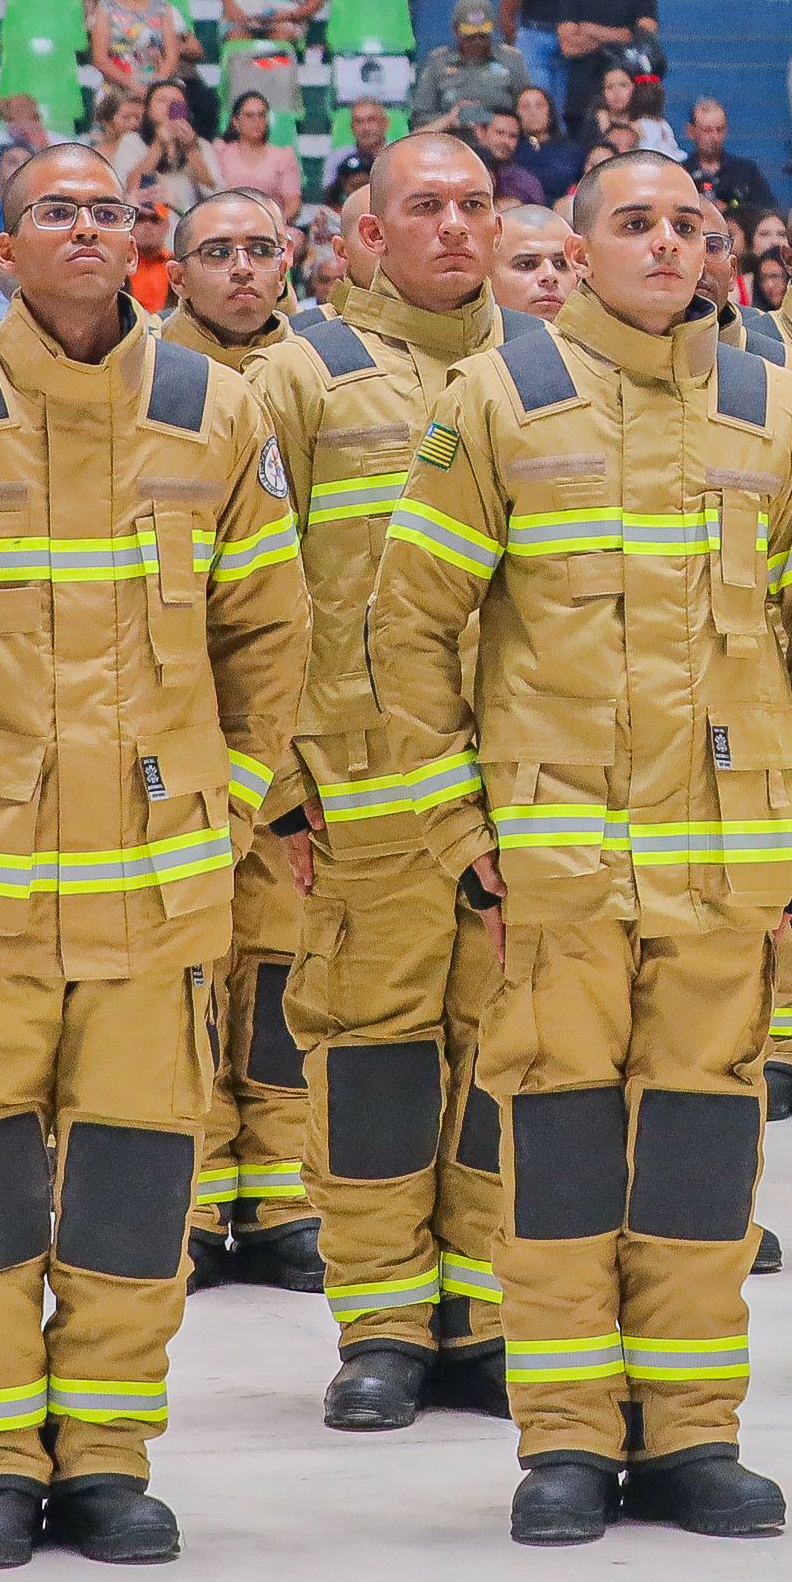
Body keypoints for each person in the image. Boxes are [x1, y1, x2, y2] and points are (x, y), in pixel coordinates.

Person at [0, 143, 306, 1567]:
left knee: (139, 1185)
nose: (84, 229)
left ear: (139, 241)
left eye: (107, 210)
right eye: (50, 214)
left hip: (155, 888)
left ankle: (106, 1456)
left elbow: (273, 634)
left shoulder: (214, 408)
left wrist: (233, 796)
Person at [368, 147, 792, 1540]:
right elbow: (407, 626)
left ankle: (696, 1432)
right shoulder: (502, 399)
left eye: (686, 225)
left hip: (726, 862)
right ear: (579, 250)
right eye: (634, 224)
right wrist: (454, 820)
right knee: (564, 1143)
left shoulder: (775, 407)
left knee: (708, 1143)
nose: (664, 246)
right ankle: (572, 1439)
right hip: (557, 864)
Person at [218, 136, 505, 1416]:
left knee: (510, 1053)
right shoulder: (299, 378)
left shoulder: (544, 375)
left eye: (474, 207)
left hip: (517, 802)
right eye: (424, 209)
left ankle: (489, 1304)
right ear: (364, 239)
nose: (454, 229)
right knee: (376, 1054)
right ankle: (383, 1317)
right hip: (362, 800)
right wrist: (274, 787)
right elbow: (245, 594)